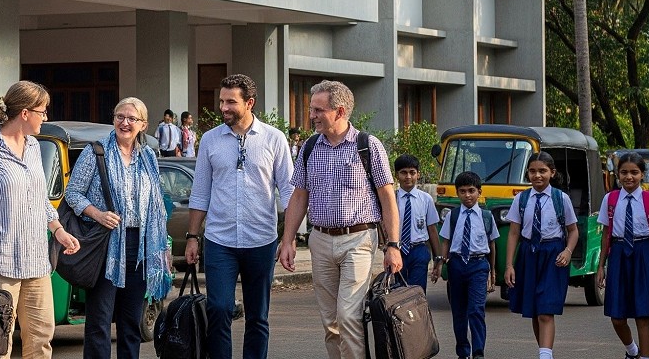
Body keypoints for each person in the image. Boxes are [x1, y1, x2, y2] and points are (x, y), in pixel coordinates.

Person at [0, 81, 81, 359]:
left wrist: (58, 230)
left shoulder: (35, 146)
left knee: (41, 340)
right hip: (0, 262)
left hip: (37, 262)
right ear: (25, 113)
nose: (45, 118)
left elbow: (40, 199)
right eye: (42, 112)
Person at [278, 80, 403, 359]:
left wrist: (393, 245)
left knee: (348, 315)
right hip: (320, 241)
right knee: (330, 322)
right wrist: (287, 241)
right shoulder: (309, 148)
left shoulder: (367, 146)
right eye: (312, 109)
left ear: (340, 111)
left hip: (358, 239)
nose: (312, 116)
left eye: (318, 110)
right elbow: (299, 196)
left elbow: (387, 197)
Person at [183, 74, 294, 359]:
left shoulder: (274, 138)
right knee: (219, 308)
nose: (224, 107)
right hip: (220, 241)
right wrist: (192, 237)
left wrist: (289, 238)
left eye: (231, 101)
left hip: (261, 241)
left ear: (250, 103)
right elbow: (200, 192)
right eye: (221, 101)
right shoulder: (209, 140)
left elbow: (291, 193)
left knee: (258, 316)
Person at [63, 97, 173, 359]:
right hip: (105, 243)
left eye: (131, 118)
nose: (124, 122)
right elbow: (73, 193)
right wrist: (98, 214)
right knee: (99, 321)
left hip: (139, 246)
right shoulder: (96, 151)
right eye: (119, 117)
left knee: (131, 322)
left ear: (143, 125)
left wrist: (162, 246)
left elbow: (156, 202)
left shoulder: (148, 156)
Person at [503, 152, 579, 359]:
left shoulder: (560, 199)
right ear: (527, 173)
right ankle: (544, 352)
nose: (537, 175)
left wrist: (568, 250)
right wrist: (509, 265)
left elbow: (573, 230)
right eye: (533, 171)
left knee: (546, 309)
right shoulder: (521, 199)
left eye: (542, 171)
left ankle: (546, 356)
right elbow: (514, 233)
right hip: (529, 254)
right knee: (536, 311)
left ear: (552, 173)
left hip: (553, 256)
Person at [599, 152, 649, 359]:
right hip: (618, 254)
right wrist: (601, 265)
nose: (629, 177)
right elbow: (606, 234)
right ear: (617, 174)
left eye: (634, 172)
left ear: (642, 174)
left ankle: (646, 357)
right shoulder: (609, 199)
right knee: (617, 316)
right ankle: (632, 350)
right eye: (624, 172)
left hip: (644, 254)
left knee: (642, 314)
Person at [433, 171, 497, 359]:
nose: (467, 195)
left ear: (479, 192)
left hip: (478, 265)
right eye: (462, 191)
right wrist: (439, 264)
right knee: (459, 312)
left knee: (476, 310)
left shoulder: (486, 217)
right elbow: (446, 242)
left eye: (471, 191)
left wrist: (492, 272)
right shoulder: (452, 216)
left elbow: (492, 245)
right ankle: (463, 351)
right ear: (457, 193)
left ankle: (478, 353)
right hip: (457, 265)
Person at [394, 154, 441, 290]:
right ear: (397, 175)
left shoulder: (426, 199)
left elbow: (432, 229)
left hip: (419, 249)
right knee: (398, 290)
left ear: (418, 174)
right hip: (398, 249)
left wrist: (438, 258)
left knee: (417, 291)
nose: (408, 177)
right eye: (403, 173)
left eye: (412, 172)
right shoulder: (392, 199)